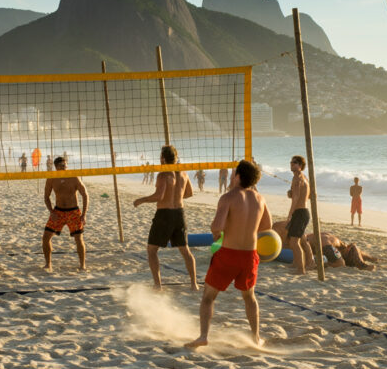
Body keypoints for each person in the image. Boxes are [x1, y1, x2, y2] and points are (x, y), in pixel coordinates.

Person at [185, 160, 271, 348]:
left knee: (208, 297)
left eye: (233, 173)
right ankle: (256, 338)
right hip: (249, 255)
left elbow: (217, 227)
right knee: (250, 297)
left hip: (229, 254)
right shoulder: (260, 198)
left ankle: (203, 336)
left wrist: (219, 235)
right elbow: (267, 226)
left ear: (238, 176)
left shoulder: (228, 197)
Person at [133, 144, 198, 290]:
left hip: (164, 214)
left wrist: (141, 200)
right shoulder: (183, 173)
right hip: (179, 213)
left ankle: (158, 285)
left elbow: (159, 196)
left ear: (162, 158)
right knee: (185, 250)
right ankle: (194, 284)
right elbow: (189, 193)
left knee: (151, 250)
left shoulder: (163, 174)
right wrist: (176, 197)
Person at [42, 155, 88, 271]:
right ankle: (48, 264)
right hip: (58, 212)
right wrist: (51, 211)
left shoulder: (74, 177)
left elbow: (85, 195)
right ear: (56, 167)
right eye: (62, 166)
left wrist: (84, 214)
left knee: (79, 238)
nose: (65, 168)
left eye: (66, 165)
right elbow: (46, 197)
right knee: (46, 237)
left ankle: (82, 265)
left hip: (73, 212)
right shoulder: (51, 178)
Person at [285, 155, 316, 273]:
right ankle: (308, 263)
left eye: (294, 163)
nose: (291, 164)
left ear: (300, 165)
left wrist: (290, 213)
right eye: (291, 162)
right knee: (302, 240)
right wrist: (291, 193)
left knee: (294, 241)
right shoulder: (304, 178)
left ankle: (301, 268)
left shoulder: (298, 178)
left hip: (300, 212)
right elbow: (304, 195)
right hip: (303, 212)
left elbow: (296, 198)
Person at [305, 231, 378, 270]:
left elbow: (356, 250)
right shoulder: (334, 243)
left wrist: (370, 259)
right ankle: (362, 266)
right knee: (340, 263)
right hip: (299, 247)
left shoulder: (334, 239)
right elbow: (340, 263)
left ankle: (363, 265)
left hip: (300, 240)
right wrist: (363, 265)